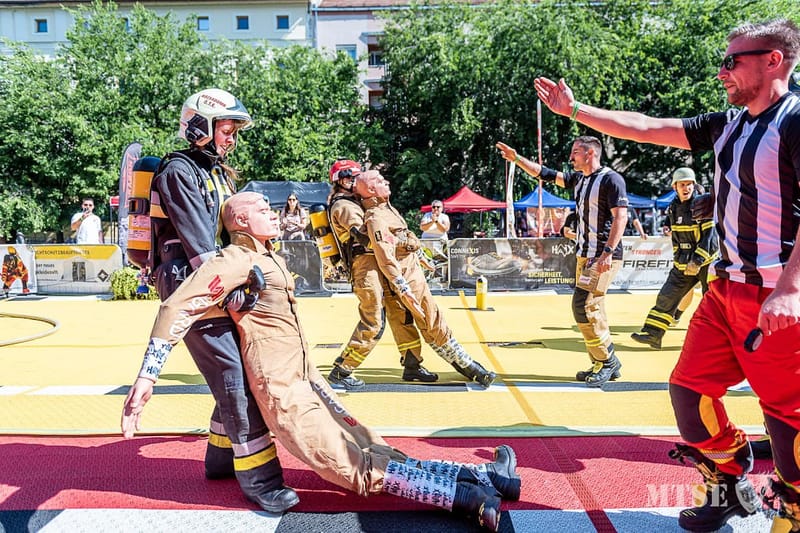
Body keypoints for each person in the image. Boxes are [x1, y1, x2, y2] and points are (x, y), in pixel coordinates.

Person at [533, 18, 800, 532]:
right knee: (689, 392)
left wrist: (790, 289)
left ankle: (793, 512)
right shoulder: (732, 122)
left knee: (789, 418)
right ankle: (728, 483)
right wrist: (576, 110)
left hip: (775, 294)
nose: (722, 70)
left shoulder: (796, 121)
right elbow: (650, 127)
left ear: (774, 60)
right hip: (726, 288)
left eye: (733, 61)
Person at [122, 192, 519, 531]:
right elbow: (176, 307)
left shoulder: (266, 257)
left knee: (373, 447)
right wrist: (148, 376)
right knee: (354, 468)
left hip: (308, 382)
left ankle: (486, 477)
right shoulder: (234, 259)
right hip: (284, 394)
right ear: (240, 220)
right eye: (263, 209)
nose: (273, 212)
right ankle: (468, 500)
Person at [144, 89, 297, 513]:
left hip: (218, 277)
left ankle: (220, 459)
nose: (231, 138)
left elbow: (229, 235)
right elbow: (199, 246)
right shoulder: (178, 171)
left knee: (237, 370)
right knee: (233, 375)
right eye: (226, 129)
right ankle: (261, 480)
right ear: (200, 127)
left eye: (232, 131)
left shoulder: (216, 172)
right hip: (192, 281)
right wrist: (231, 285)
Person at [496, 137, 629, 388]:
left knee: (583, 304)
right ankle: (603, 362)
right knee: (593, 308)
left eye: (576, 152)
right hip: (584, 253)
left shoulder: (612, 179)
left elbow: (621, 217)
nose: (571, 157)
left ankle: (607, 360)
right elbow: (544, 173)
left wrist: (608, 252)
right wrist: (516, 159)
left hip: (602, 255)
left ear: (590, 153)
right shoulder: (579, 179)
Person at [356, 169, 497, 388]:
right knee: (432, 320)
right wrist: (402, 286)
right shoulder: (376, 217)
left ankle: (413, 366)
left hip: (410, 273)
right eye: (381, 181)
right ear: (372, 190)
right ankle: (469, 366)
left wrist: (420, 256)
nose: (387, 181)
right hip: (405, 278)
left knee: (407, 324)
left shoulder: (386, 210)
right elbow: (384, 254)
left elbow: (402, 237)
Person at [326, 159, 439, 390]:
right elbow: (365, 237)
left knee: (401, 313)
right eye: (352, 178)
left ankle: (412, 364)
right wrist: (402, 242)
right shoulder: (344, 206)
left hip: (375, 266)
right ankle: (342, 370)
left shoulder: (354, 202)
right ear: (342, 181)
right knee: (374, 321)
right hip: (365, 269)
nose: (356, 181)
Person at [631, 167, 718, 350]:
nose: (686, 188)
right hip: (683, 263)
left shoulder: (702, 205)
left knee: (712, 302)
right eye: (682, 184)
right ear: (675, 187)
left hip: (706, 263)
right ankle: (653, 334)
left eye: (689, 184)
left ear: (694, 185)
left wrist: (697, 261)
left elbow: (711, 238)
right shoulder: (673, 207)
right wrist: (680, 260)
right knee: (667, 295)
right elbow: (676, 237)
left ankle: (718, 341)